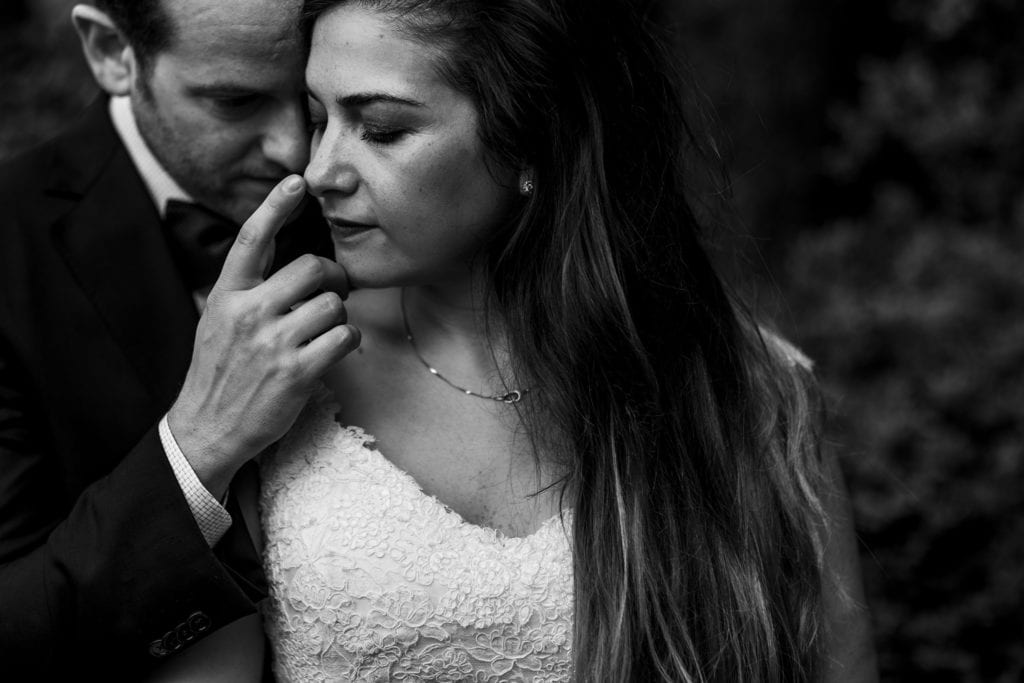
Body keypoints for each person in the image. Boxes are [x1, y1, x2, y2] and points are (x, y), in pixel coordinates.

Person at [233, 0, 879, 680]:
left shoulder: (743, 392)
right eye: (317, 120)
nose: (318, 170)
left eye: (383, 129)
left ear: (530, 140)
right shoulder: (279, 369)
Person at [0, 0, 356, 677]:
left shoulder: (379, 203)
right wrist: (199, 446)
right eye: (236, 101)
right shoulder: (12, 248)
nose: (295, 153)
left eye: (307, 99)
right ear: (111, 52)